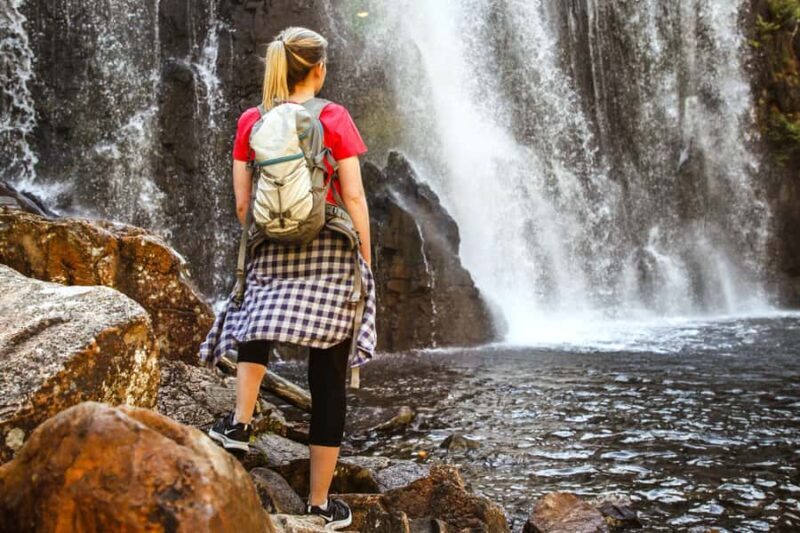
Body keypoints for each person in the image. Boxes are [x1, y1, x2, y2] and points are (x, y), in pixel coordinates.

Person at [198, 26, 377, 530]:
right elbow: (354, 196)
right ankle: (319, 506)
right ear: (319, 69)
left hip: (272, 246)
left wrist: (273, 235)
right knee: (328, 377)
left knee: (256, 325)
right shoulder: (334, 117)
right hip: (331, 251)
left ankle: (239, 424)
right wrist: (364, 259)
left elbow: (243, 205)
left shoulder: (252, 120)